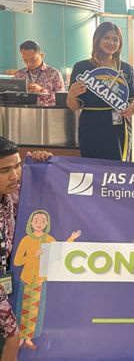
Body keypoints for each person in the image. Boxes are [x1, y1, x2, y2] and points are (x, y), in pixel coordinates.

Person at [0, 136, 52, 360]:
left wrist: (39, 165)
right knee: (12, 339)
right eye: (5, 170)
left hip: (7, 288)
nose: (15, 175)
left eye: (18, 165)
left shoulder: (9, 197)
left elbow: (37, 198)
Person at [66, 22, 134, 161]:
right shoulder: (82, 67)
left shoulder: (126, 68)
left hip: (119, 127)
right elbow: (74, 106)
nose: (111, 42)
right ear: (97, 39)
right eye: (106, 37)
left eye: (115, 39)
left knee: (119, 170)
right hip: (91, 126)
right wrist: (71, 94)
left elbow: (133, 99)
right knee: (92, 168)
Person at [14, 211, 80, 350]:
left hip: (40, 279)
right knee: (23, 308)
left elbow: (59, 250)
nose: (39, 223)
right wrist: (33, 255)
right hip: (26, 279)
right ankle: (20, 337)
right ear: (31, 223)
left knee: (36, 309)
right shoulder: (26, 240)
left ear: (47, 224)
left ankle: (29, 338)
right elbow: (17, 261)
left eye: (43, 221)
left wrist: (71, 239)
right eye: (36, 220)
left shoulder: (49, 239)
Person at [14, 40, 65, 107]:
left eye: (33, 60)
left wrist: (42, 90)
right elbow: (13, 97)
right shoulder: (19, 74)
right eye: (25, 60)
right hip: (24, 112)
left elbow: (62, 99)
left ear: (42, 55)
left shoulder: (54, 73)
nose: (29, 63)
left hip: (48, 113)